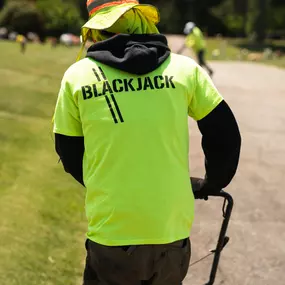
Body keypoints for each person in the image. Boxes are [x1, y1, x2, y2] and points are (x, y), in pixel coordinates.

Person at [52, 1, 241, 284]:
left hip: (111, 237)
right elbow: (224, 134)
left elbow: (68, 151)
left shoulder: (77, 76)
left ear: (97, 27)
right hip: (171, 238)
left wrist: (103, 181)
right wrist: (211, 183)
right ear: (141, 18)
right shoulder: (184, 70)